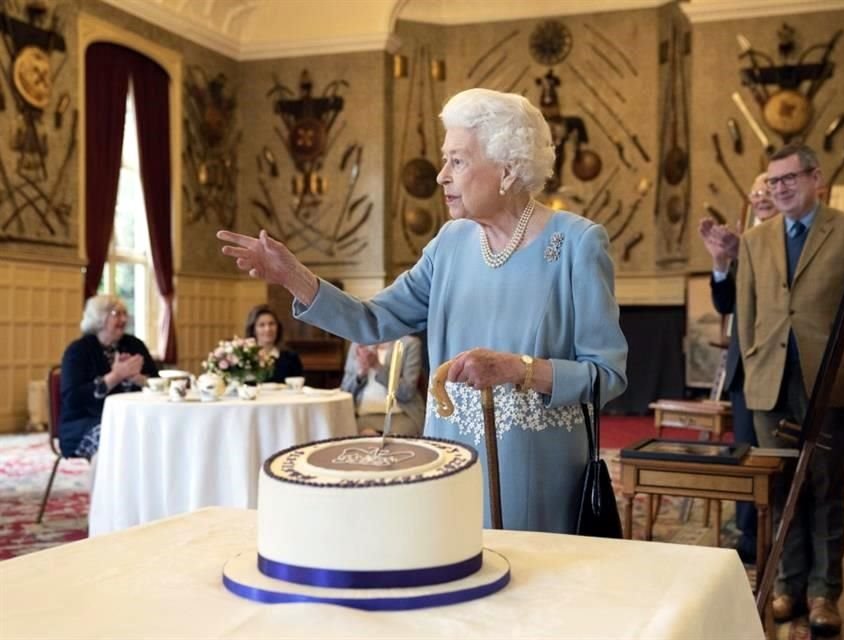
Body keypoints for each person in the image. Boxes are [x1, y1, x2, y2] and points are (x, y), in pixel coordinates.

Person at [219, 87, 628, 534]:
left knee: (530, 593)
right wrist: (293, 275)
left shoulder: (576, 244)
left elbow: (607, 376)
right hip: (449, 459)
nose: (440, 176)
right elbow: (371, 321)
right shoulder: (448, 246)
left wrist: (520, 369)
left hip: (537, 472)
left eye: (457, 160)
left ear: (507, 170)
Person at [737, 144, 844, 635]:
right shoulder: (755, 239)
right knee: (782, 486)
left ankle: (823, 593)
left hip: (828, 381)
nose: (780, 188)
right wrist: (752, 359)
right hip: (770, 383)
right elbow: (747, 315)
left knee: (827, 488)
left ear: (817, 179)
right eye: (773, 181)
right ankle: (789, 585)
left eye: (789, 178)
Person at [697, 173, 779, 565]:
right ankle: (749, 537)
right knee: (745, 454)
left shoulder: (788, 243)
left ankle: (782, 534)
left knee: (777, 457)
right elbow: (726, 303)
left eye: (769, 188)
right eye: (757, 189)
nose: (762, 195)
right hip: (745, 368)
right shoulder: (740, 240)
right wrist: (719, 261)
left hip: (784, 366)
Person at [59, 295, 159, 460]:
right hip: (84, 423)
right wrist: (116, 376)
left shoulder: (134, 345)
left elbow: (157, 383)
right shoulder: (78, 351)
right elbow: (72, 398)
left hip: (133, 420)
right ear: (100, 317)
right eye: (116, 313)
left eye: (125, 313)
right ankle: (106, 486)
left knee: (156, 435)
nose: (124, 319)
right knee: (113, 442)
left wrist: (138, 378)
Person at [341, 336, 426, 436]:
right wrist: (361, 373)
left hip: (401, 415)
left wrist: (377, 366)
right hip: (363, 416)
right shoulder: (358, 344)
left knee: (392, 444)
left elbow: (406, 393)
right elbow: (345, 392)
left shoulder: (409, 343)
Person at [244, 305, 303, 383]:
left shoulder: (291, 358)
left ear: (278, 327)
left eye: (271, 324)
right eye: (262, 325)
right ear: (253, 330)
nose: (268, 329)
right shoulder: (245, 357)